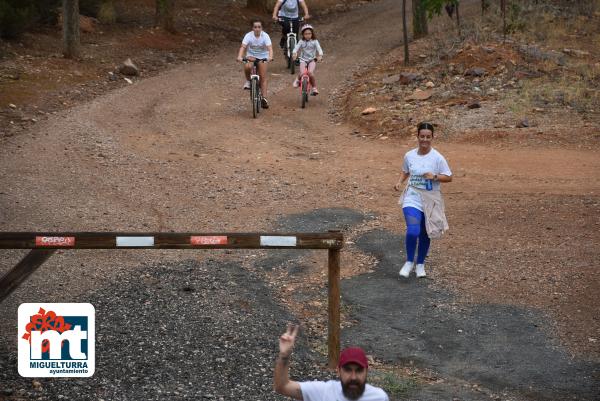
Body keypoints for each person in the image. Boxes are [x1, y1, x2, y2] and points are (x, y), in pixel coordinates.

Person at [394, 122, 453, 279]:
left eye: (428, 137)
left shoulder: (438, 158)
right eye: (422, 136)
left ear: (432, 137)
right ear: (417, 137)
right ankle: (408, 262)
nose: (425, 140)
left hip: (430, 200)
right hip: (412, 197)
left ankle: (420, 264)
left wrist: (434, 176)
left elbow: (449, 177)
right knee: (413, 231)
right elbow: (406, 171)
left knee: (426, 233)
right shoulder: (409, 155)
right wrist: (400, 181)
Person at [274, 324, 389, 401]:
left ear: (366, 372)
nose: (353, 377)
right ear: (338, 371)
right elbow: (282, 386)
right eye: (348, 370)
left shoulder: (379, 397)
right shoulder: (323, 392)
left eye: (359, 370)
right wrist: (284, 355)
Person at [237, 19, 274, 109]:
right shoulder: (248, 36)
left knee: (262, 76)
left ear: (262, 28)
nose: (257, 29)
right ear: (252, 28)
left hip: (262, 57)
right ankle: (248, 81)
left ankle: (264, 99)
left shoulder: (265, 36)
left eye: (259, 27)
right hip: (251, 56)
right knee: (247, 66)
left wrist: (270, 57)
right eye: (255, 27)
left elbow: (270, 48)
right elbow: (243, 47)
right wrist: (239, 56)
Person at [292, 24, 323, 95]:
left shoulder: (315, 41)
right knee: (302, 73)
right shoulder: (301, 41)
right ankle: (297, 80)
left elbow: (319, 49)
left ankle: (314, 88)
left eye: (309, 33)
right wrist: (294, 54)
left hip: (312, 60)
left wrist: (320, 56)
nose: (308, 35)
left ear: (312, 34)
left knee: (310, 73)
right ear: (303, 34)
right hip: (303, 60)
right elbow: (296, 48)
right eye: (305, 34)